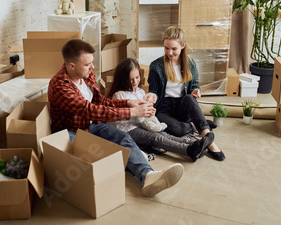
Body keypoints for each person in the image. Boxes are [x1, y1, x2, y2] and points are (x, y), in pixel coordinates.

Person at [48, 39, 183, 197]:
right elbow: (89, 110)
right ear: (71, 65)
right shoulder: (60, 86)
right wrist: (132, 112)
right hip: (70, 130)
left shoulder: (86, 74)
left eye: (92, 63)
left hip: (92, 125)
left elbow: (101, 102)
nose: (92, 67)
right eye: (87, 64)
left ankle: (148, 176)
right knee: (82, 160)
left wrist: (127, 102)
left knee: (123, 137)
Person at [107, 58, 213, 162]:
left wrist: (150, 111)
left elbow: (147, 112)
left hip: (143, 125)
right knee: (156, 137)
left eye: (137, 77)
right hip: (127, 129)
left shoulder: (140, 92)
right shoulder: (119, 95)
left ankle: (194, 143)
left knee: (163, 133)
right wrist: (136, 112)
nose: (135, 81)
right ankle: (188, 150)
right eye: (131, 79)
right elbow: (116, 118)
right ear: (123, 79)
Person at [146, 26, 226, 161]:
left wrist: (196, 91)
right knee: (178, 131)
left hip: (182, 104)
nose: (169, 52)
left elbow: (195, 85)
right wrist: (152, 95)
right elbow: (153, 89)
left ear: (182, 46)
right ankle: (195, 125)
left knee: (189, 98)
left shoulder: (190, 63)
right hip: (163, 108)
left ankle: (209, 141)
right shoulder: (156, 66)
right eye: (166, 48)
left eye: (174, 49)